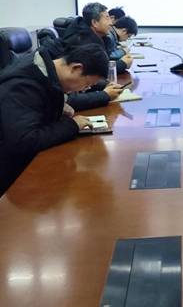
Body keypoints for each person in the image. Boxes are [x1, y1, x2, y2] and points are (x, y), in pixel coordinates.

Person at [0, 44, 109, 196]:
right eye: (87, 84)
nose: (83, 90)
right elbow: (25, 141)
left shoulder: (45, 72)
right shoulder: (22, 86)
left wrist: (57, 106)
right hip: (15, 179)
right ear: (76, 68)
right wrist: (72, 125)